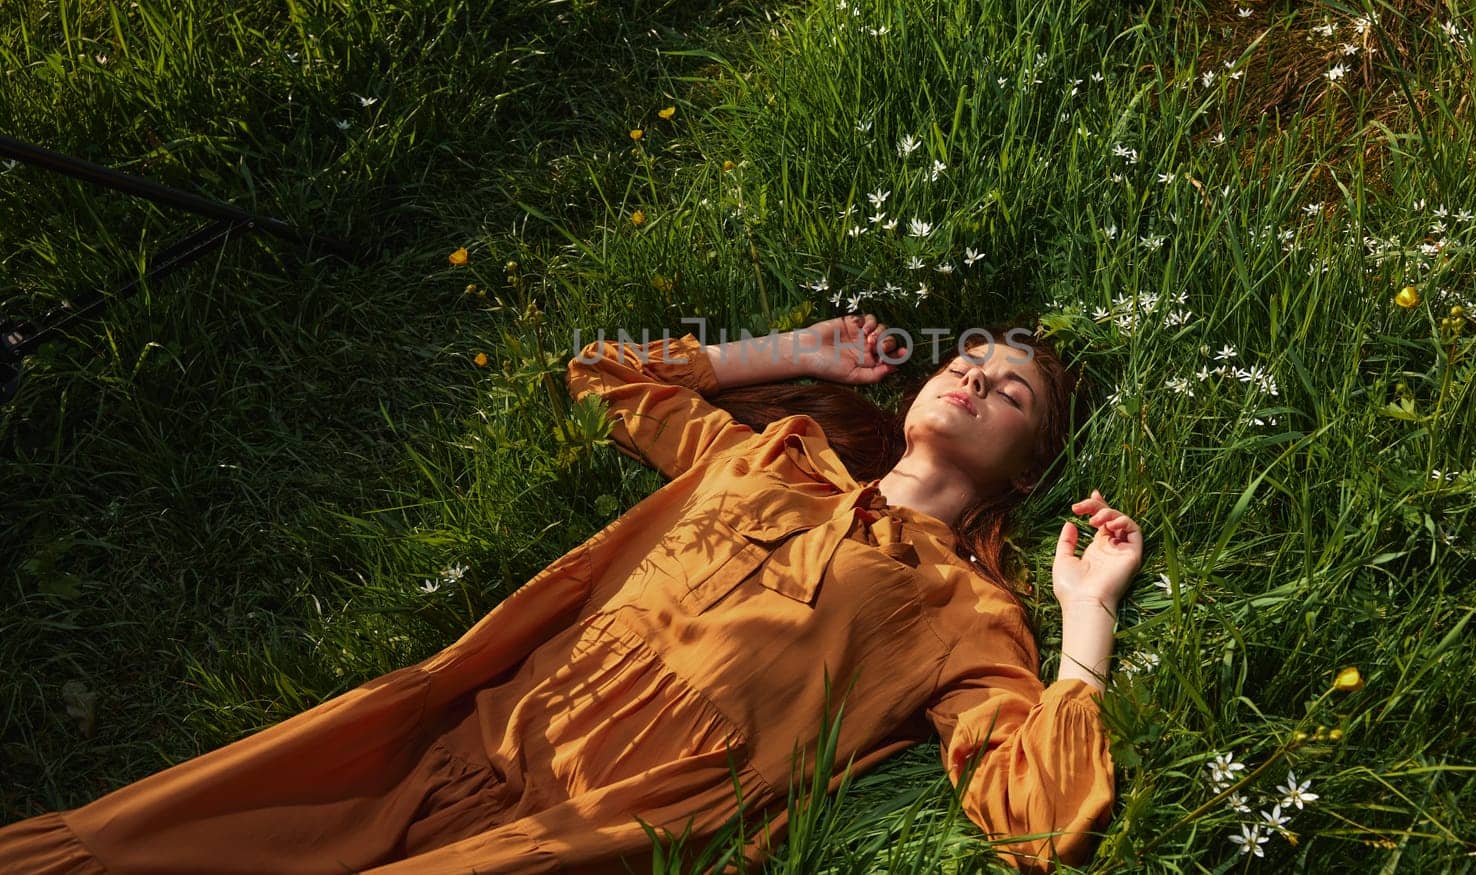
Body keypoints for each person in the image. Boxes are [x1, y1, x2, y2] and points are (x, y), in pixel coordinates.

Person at [0, 313, 1143, 874]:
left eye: (1007, 392)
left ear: (1026, 466)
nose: (970, 375)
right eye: (967, 358)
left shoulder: (964, 607)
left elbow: (1036, 811)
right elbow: (606, 371)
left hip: (592, 832)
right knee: (137, 843)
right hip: (460, 727)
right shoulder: (770, 453)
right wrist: (791, 348)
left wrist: (1084, 617)